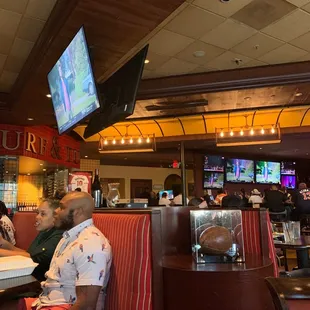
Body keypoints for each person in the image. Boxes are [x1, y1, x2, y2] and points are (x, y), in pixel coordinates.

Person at [18, 192, 112, 310]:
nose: (56, 211)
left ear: (77, 212)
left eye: (62, 207)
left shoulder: (90, 244)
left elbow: (86, 306)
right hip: (46, 302)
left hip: (64, 306)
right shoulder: (69, 236)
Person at [0, 199, 63, 281]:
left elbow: (33, 258)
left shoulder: (58, 236)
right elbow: (29, 254)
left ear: (56, 216)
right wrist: (4, 244)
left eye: (43, 214)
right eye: (38, 213)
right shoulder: (44, 232)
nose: (37, 217)